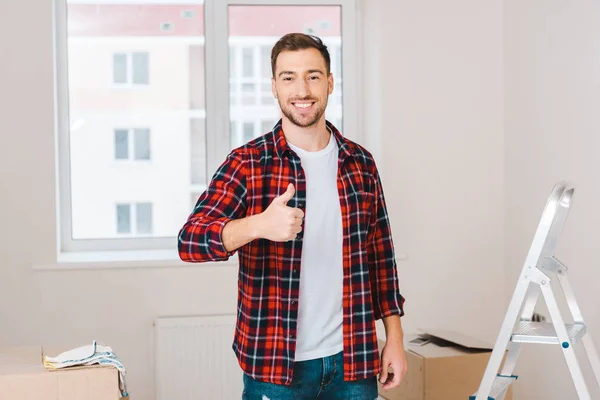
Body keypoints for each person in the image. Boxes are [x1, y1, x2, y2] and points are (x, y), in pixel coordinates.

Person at [178, 32, 407, 400]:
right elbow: (189, 241)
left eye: (313, 76)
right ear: (274, 86)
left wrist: (394, 338)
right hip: (275, 368)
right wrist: (257, 226)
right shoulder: (248, 163)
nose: (302, 89)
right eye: (289, 78)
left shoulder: (360, 163)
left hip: (353, 362)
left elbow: (381, 259)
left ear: (330, 83)